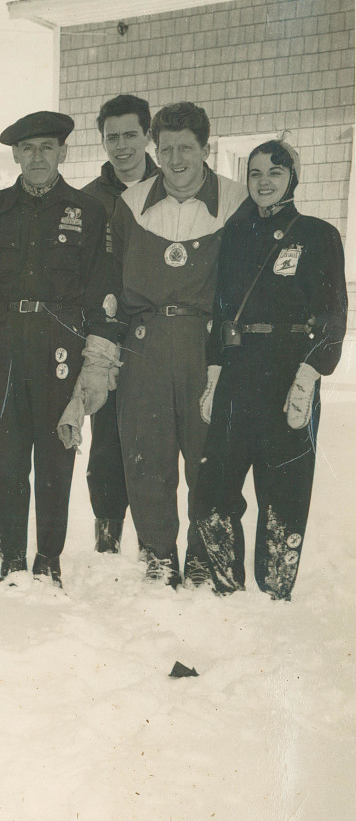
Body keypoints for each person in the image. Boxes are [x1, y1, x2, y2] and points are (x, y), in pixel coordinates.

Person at [0, 111, 118, 587]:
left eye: (47, 147)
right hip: (1, 344)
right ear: (15, 155)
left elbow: (101, 292)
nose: (38, 157)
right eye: (28, 149)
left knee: (55, 456)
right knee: (1, 461)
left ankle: (49, 558)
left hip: (59, 346)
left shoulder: (88, 212)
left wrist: (96, 360)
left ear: (63, 152)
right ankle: (11, 559)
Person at [184, 141, 345, 599]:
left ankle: (276, 591)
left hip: (289, 371)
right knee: (213, 486)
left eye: (275, 172)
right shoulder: (236, 234)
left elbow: (334, 314)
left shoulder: (318, 234)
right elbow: (220, 308)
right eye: (254, 173)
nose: (264, 181)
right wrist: (214, 371)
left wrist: (310, 374)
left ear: (293, 176)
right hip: (238, 368)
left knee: (284, 487)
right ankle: (225, 586)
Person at [109, 102, 247, 582]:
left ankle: (206, 559)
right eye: (165, 148)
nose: (175, 158)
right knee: (148, 454)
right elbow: (112, 285)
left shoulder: (236, 201)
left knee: (209, 452)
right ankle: (158, 556)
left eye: (185, 147)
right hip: (145, 344)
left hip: (208, 346)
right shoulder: (130, 204)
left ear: (205, 148)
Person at [79, 94, 160, 554]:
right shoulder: (90, 199)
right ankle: (106, 536)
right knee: (106, 439)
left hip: (155, 334)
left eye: (131, 135)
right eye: (113, 137)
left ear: (147, 136)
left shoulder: (170, 188)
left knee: (153, 439)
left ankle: (154, 540)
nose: (122, 146)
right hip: (107, 334)